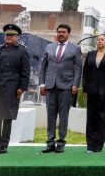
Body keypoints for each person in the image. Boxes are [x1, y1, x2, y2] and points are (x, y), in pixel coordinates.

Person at [0, 24, 30, 154]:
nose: (9, 37)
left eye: (12, 35)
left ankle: (4, 145)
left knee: (7, 117)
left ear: (16, 37)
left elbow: (25, 71)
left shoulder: (22, 51)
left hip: (11, 87)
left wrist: (22, 87)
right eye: (7, 35)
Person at [39, 23, 82, 153]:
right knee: (50, 116)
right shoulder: (49, 47)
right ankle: (50, 142)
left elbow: (79, 69)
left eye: (63, 32)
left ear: (68, 34)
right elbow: (43, 67)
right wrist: (42, 84)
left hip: (66, 87)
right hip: (50, 86)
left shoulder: (75, 48)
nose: (61, 34)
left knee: (63, 116)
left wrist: (75, 85)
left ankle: (61, 142)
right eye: (59, 32)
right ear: (56, 33)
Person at [82, 33, 105, 152]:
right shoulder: (90, 54)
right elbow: (85, 73)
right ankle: (90, 145)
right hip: (91, 91)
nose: (100, 41)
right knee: (91, 117)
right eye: (98, 39)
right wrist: (85, 88)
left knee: (102, 118)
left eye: (102, 39)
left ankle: (98, 145)